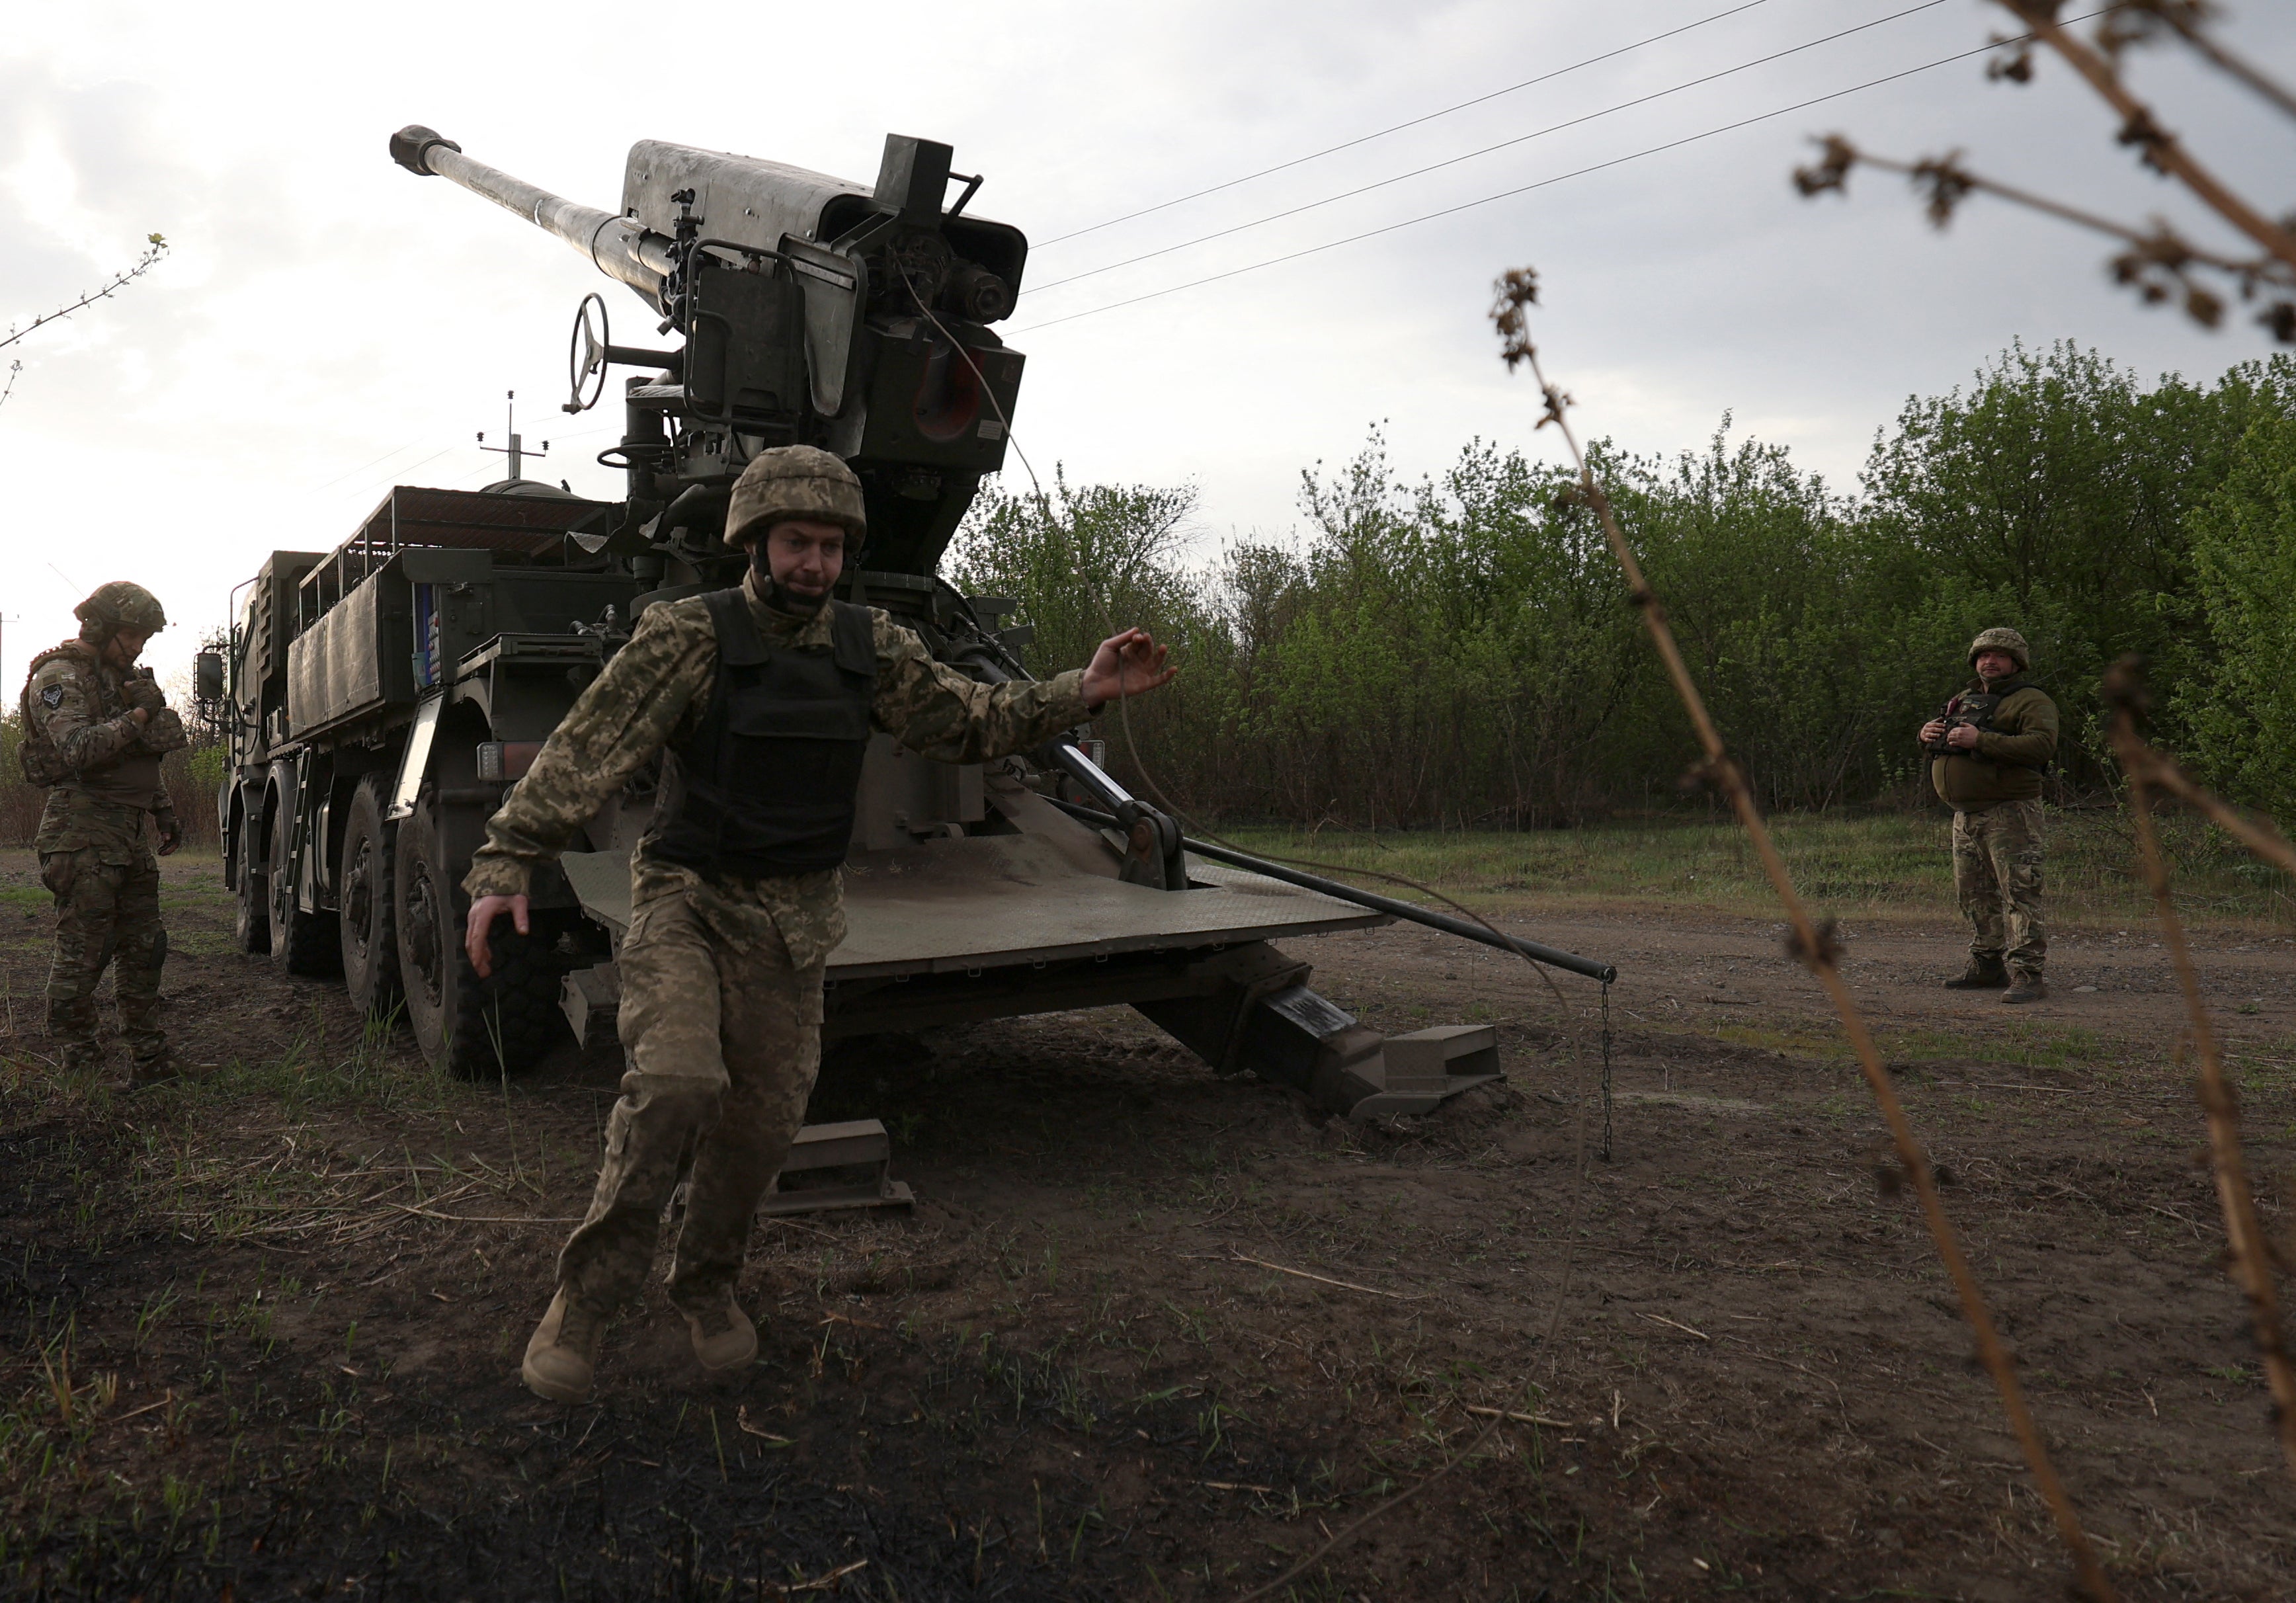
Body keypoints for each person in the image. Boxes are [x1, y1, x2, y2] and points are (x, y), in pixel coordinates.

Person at [461, 445, 1177, 1404]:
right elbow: (589, 746)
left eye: (833, 546)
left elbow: (967, 720)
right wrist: (509, 856)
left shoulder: (869, 645)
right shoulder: (690, 636)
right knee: (675, 1083)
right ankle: (584, 1306)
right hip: (686, 898)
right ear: (753, 544)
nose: (816, 564)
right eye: (798, 542)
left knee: (761, 1128)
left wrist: (1078, 690)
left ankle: (706, 1287)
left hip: (794, 922)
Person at [17, 581, 188, 1085]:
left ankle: (151, 1062)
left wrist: (163, 811)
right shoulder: (59, 675)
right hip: (82, 830)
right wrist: (141, 714)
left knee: (144, 947)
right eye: (131, 634)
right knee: (83, 952)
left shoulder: (118, 680)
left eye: (143, 638)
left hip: (129, 830)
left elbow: (139, 757)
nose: (137, 647)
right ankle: (83, 1070)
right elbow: (78, 750)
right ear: (102, 626)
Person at [1919, 627, 2058, 1005]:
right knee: (1975, 894)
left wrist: (1981, 740)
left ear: (2016, 662)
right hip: (1965, 815)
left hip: (2011, 812)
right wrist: (1929, 734)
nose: (1989, 661)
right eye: (1983, 655)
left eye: (1998, 655)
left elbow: (2042, 745)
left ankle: (2029, 973)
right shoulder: (1963, 700)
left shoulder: (2031, 700)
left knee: (2020, 891)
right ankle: (1987, 965)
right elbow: (1950, 742)